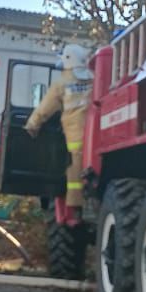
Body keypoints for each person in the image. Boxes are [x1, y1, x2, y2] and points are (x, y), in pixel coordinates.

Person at [24, 43, 94, 226]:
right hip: (97, 137)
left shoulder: (62, 83)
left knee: (73, 175)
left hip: (74, 138)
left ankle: (72, 214)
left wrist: (32, 124)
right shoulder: (94, 80)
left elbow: (45, 108)